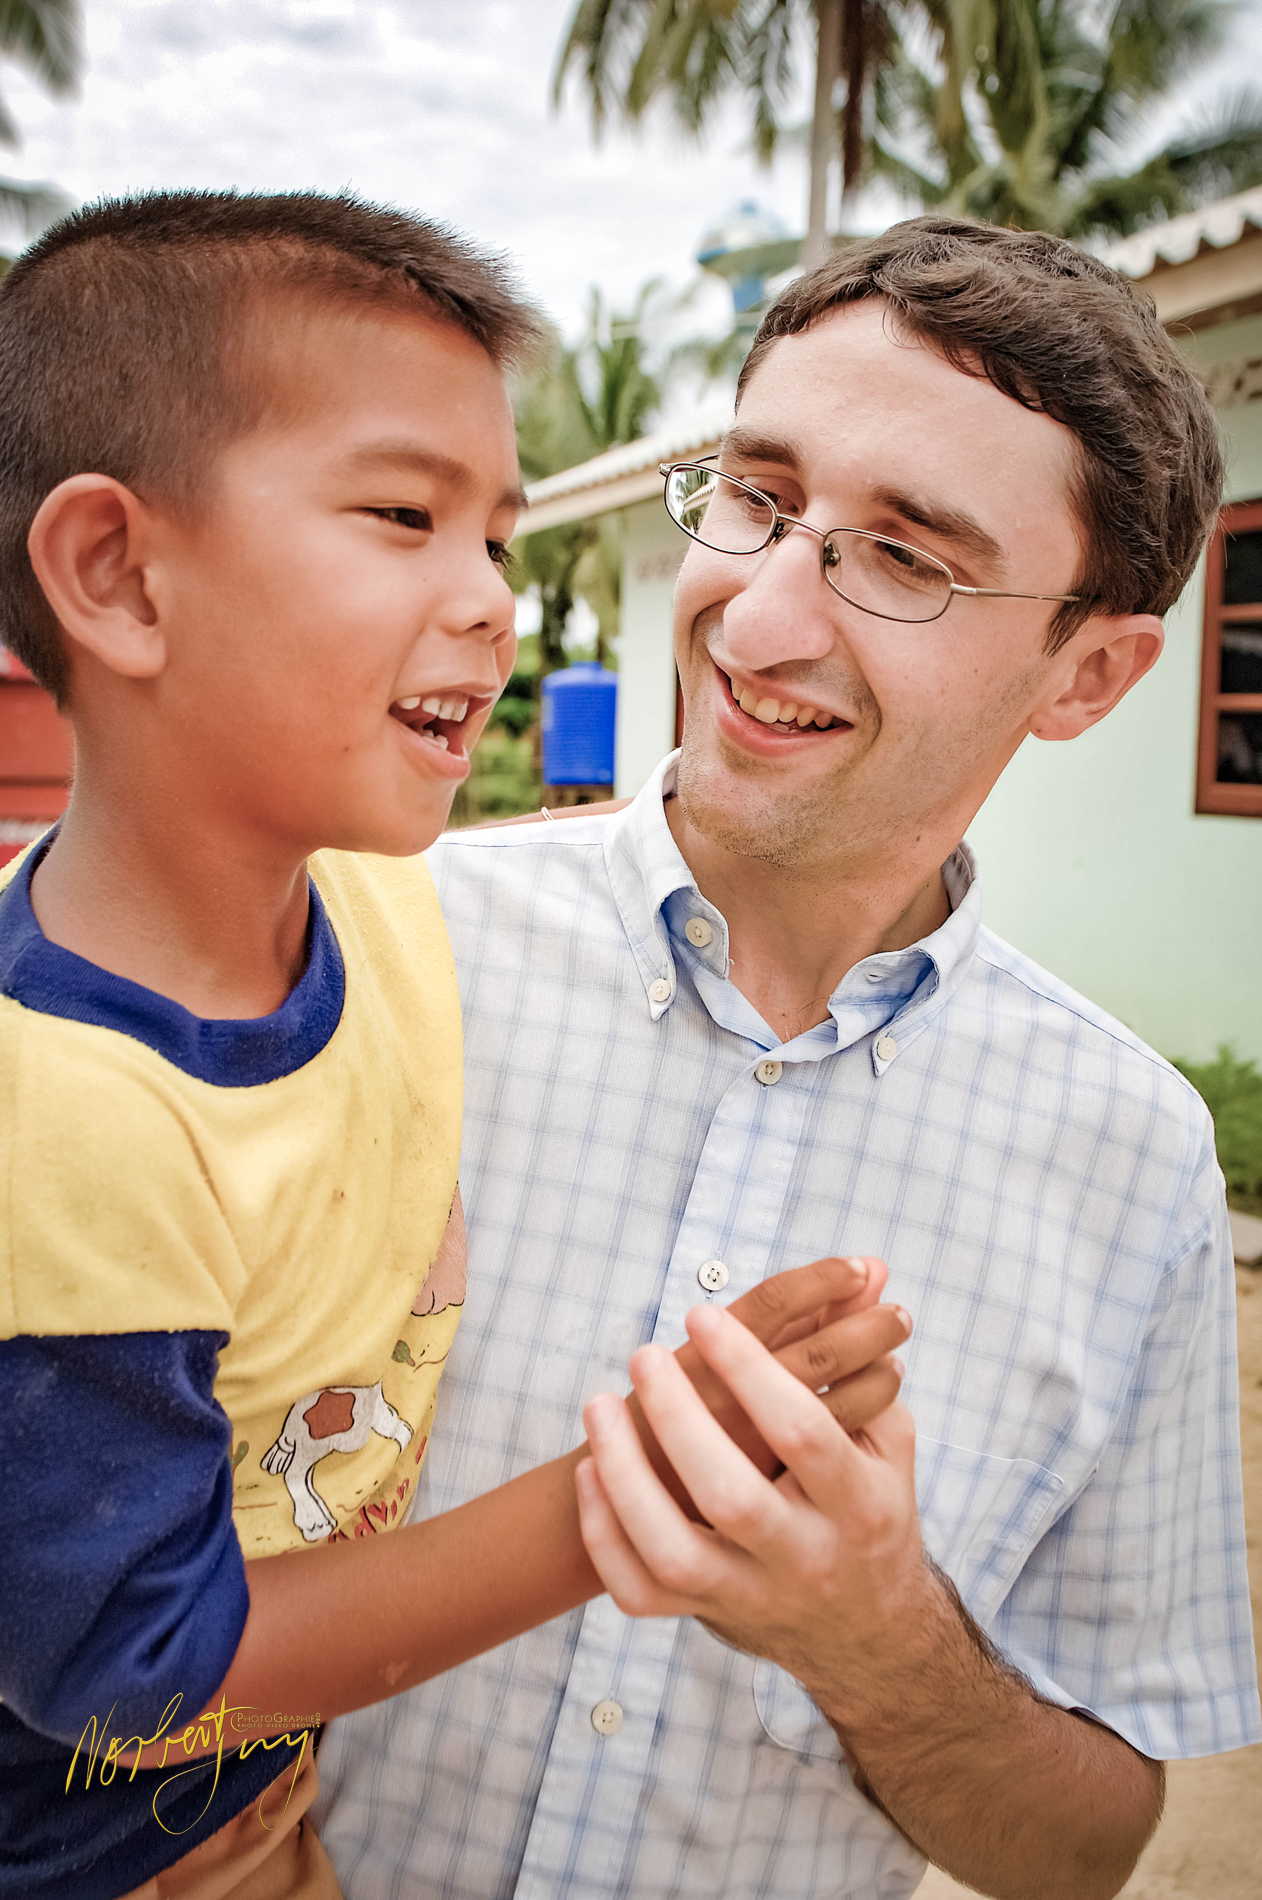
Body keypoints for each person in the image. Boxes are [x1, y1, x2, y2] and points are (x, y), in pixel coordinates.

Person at [317, 217, 1262, 1900]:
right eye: (755, 496)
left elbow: (1082, 1851)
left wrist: (873, 1634)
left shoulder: (1132, 1163)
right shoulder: (368, 950)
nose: (753, 623)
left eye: (903, 558)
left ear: (1088, 673)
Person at [0, 190, 908, 1900]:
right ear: (118, 574)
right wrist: (634, 1494)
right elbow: (137, 1682)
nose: (491, 598)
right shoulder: (58, 1116)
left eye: (495, 535)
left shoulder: (372, 897)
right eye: (404, 516)